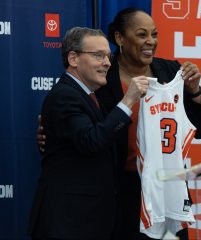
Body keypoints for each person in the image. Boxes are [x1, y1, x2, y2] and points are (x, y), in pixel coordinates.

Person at [37, 8, 201, 240]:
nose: (151, 41)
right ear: (120, 39)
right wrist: (50, 132)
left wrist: (194, 91)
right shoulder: (100, 77)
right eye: (141, 34)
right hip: (121, 191)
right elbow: (85, 130)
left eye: (155, 34)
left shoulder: (170, 72)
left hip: (165, 190)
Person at [29, 26, 149, 240]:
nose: (107, 63)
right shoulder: (65, 96)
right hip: (69, 223)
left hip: (89, 221)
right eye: (98, 56)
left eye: (108, 56)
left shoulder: (90, 96)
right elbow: (91, 140)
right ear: (73, 59)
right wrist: (128, 100)